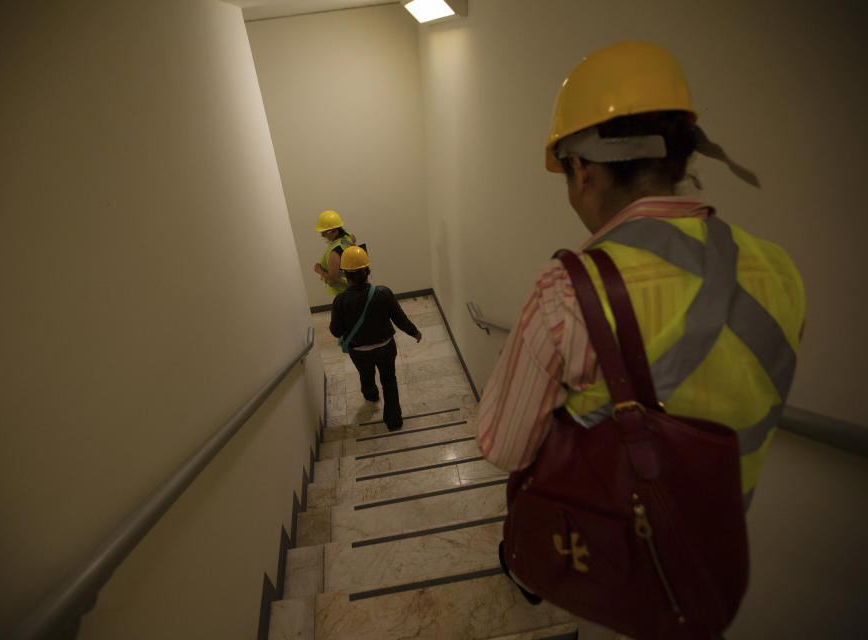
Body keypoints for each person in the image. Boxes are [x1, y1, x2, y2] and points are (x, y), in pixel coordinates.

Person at [476, 41, 805, 638]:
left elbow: (501, 446)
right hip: (718, 559)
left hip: (618, 571)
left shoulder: (567, 292)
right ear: (681, 159)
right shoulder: (779, 270)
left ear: (582, 169)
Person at [329, 246, 422, 431]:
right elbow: (400, 319)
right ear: (368, 271)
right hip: (386, 347)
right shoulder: (383, 293)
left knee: (366, 374)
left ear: (345, 274)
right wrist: (414, 332)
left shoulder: (340, 300)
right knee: (389, 380)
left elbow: (335, 331)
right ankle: (394, 421)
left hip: (359, 351)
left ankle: (371, 395)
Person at [313, 210, 357, 297]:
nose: (323, 235)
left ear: (335, 231)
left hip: (343, 293)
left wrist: (319, 270)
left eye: (324, 232)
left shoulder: (334, 253)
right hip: (353, 286)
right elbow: (354, 239)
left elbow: (333, 278)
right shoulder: (348, 236)